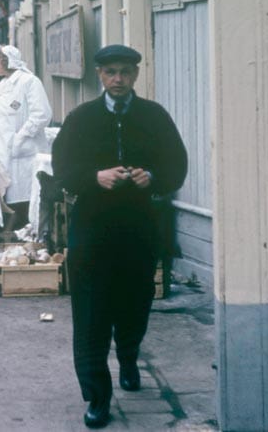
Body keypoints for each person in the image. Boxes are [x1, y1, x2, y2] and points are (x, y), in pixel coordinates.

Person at [51, 44, 187, 429]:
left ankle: (128, 356)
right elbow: (62, 167)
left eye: (125, 72)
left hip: (140, 227)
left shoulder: (154, 116)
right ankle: (97, 395)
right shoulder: (81, 118)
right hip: (92, 228)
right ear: (99, 75)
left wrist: (153, 178)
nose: (118, 80)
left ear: (136, 75)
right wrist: (93, 178)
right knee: (90, 313)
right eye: (111, 72)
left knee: (135, 303)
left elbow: (177, 163)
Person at [0, 45, 52, 230]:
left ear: (6, 61)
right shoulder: (1, 86)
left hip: (26, 150)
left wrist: (20, 137)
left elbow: (42, 114)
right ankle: (14, 239)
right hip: (5, 152)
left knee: (28, 199)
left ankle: (29, 237)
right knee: (11, 198)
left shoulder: (29, 82)